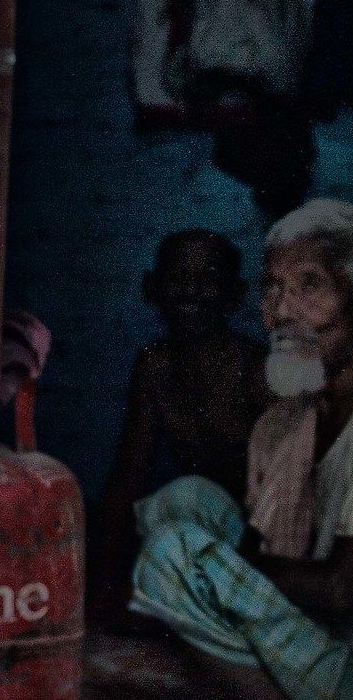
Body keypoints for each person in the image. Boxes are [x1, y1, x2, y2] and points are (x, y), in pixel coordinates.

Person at [128, 200, 353, 700]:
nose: (284, 310)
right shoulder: (288, 420)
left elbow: (343, 590)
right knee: (183, 502)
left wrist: (220, 569)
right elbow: (277, 559)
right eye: (273, 288)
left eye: (310, 286)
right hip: (320, 647)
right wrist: (227, 570)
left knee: (176, 555)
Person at [89, 229, 265, 624]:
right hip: (199, 534)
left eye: (209, 279)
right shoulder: (156, 364)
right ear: (152, 288)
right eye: (179, 276)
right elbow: (129, 475)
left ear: (234, 295)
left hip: (260, 542)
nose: (192, 291)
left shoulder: (254, 368)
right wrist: (103, 588)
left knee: (183, 501)